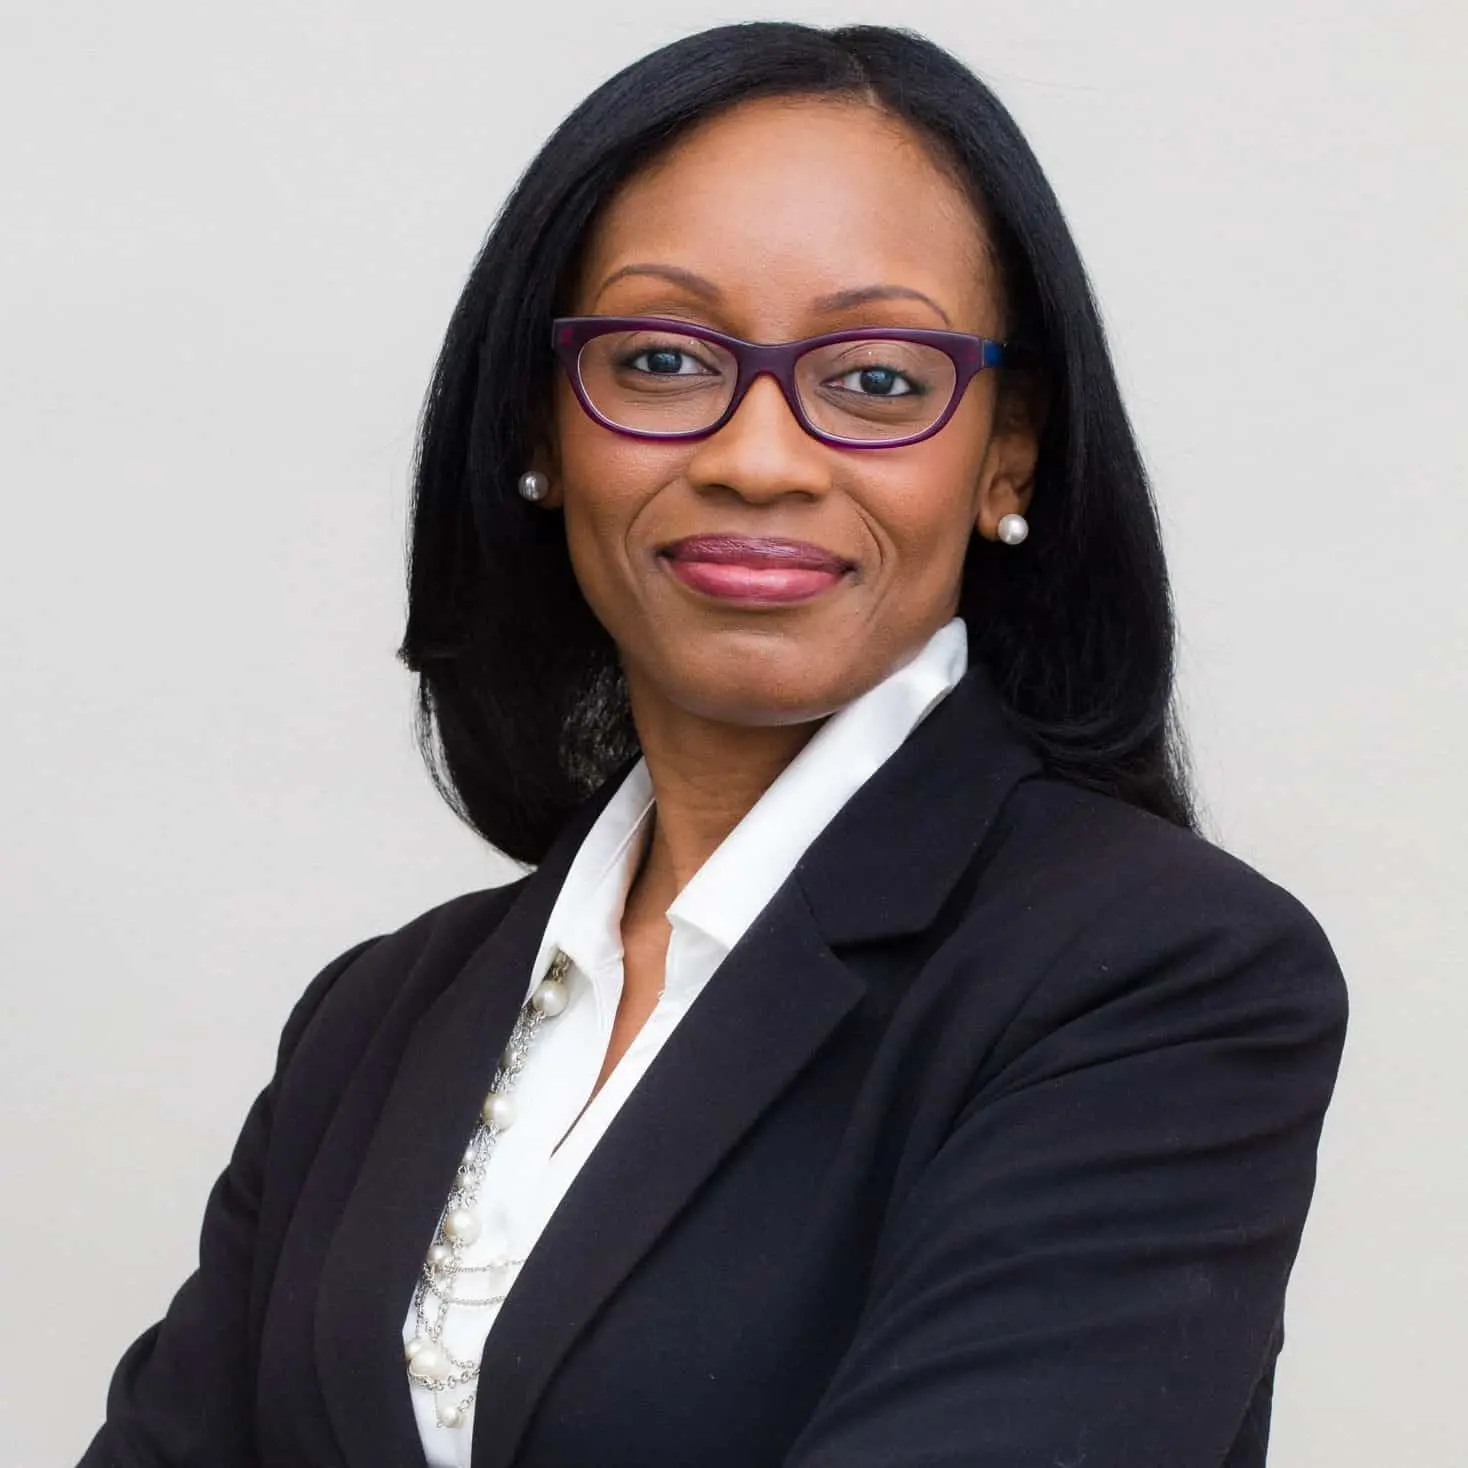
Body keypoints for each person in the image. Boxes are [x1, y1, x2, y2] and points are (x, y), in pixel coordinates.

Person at [80, 20, 1348, 1468]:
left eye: (877, 379)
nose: (757, 454)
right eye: (665, 358)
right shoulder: (372, 1026)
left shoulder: (1159, 979)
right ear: (543, 429)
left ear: (1008, 452)